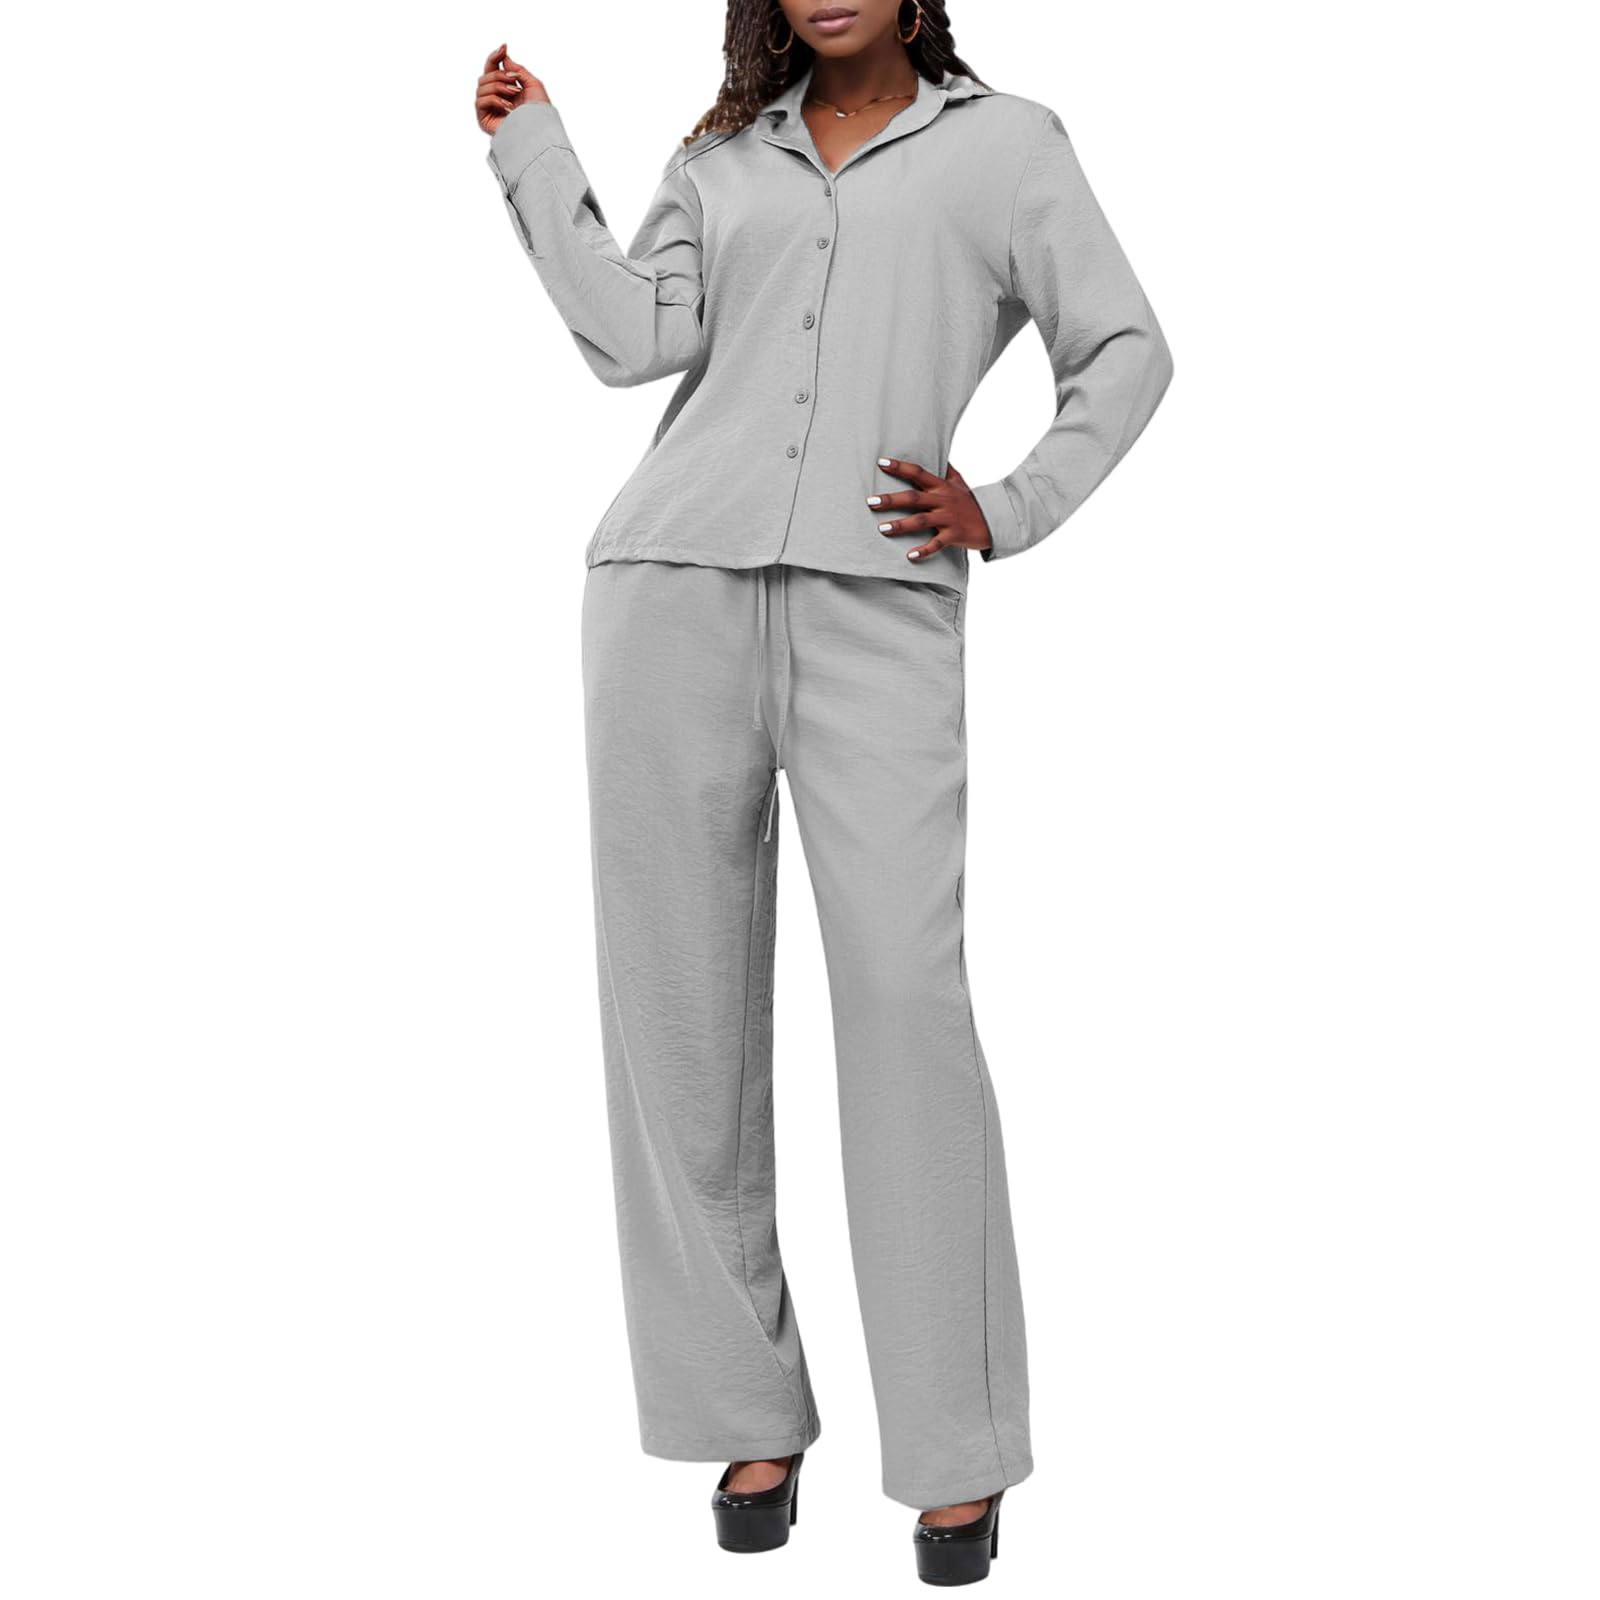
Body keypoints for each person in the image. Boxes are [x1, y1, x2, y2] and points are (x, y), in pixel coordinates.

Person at [474, 1, 1172, 1583]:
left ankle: (957, 1448)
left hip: (880, 609)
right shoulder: (721, 157)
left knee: (907, 1003)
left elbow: (1127, 347)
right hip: (669, 597)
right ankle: (744, 1414)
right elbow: (633, 340)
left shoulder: (1008, 148)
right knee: (680, 1023)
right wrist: (533, 151)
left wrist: (1008, 505)